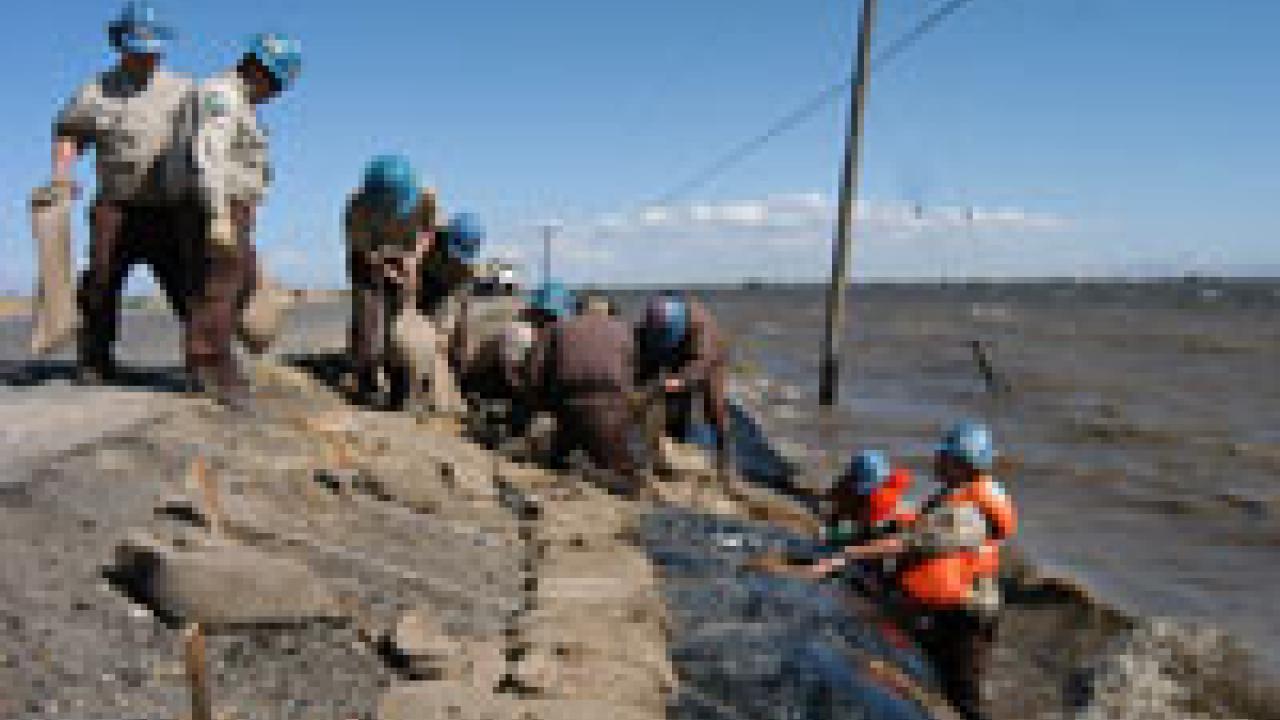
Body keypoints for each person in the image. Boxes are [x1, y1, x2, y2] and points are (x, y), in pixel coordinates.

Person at [807, 421, 1016, 720]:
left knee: (965, 695)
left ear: (962, 464)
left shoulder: (969, 514)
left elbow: (910, 543)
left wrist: (847, 554)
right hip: (949, 607)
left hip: (968, 616)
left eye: (944, 456)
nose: (936, 459)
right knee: (935, 673)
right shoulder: (955, 495)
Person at [51, 2, 194, 385]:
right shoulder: (95, 91)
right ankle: (95, 360)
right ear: (120, 44)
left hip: (169, 208)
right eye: (137, 49)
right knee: (100, 280)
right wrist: (62, 174)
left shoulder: (186, 91)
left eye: (153, 49)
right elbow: (69, 133)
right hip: (114, 206)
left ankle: (205, 362)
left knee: (186, 285)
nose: (146, 57)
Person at [180, 31, 302, 406]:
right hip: (218, 204)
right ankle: (209, 365)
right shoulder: (223, 95)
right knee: (221, 282)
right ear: (260, 68)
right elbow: (210, 153)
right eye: (277, 85)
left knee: (243, 279)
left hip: (235, 207)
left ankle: (215, 352)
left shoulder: (243, 103)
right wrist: (218, 213)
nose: (276, 94)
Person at [344, 155, 438, 408]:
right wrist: (386, 269)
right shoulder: (356, 207)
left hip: (405, 254)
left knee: (399, 322)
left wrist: (415, 259)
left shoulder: (426, 195)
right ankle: (365, 379)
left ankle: (399, 384)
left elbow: (429, 231)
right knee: (368, 317)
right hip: (369, 259)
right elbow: (365, 252)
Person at [527, 292, 642, 489]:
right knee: (628, 478)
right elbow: (631, 375)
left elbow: (535, 373)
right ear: (608, 311)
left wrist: (544, 405)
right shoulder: (623, 330)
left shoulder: (556, 328)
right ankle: (589, 474)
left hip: (567, 409)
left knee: (557, 457)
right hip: (610, 413)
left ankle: (567, 459)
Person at [635, 291, 731, 471]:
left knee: (713, 406)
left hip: (707, 361)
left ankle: (723, 454)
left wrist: (676, 382)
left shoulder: (703, 328)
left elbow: (699, 367)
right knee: (668, 402)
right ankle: (672, 440)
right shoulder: (646, 327)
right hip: (671, 353)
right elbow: (642, 359)